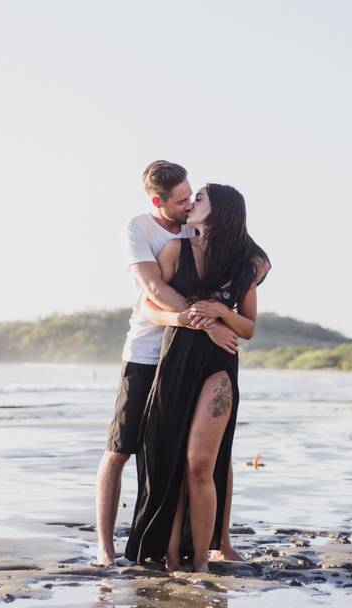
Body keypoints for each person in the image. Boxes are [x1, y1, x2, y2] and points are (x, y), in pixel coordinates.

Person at [95, 162, 241, 566]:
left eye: (191, 196)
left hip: (191, 359)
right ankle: (106, 549)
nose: (188, 204)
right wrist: (207, 324)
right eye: (180, 201)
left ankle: (217, 543)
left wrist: (215, 324)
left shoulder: (200, 226)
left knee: (212, 454)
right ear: (157, 201)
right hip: (146, 354)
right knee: (120, 450)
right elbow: (153, 289)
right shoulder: (140, 229)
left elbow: (247, 263)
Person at [124, 183, 270, 573]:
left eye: (200, 197)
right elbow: (151, 309)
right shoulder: (175, 250)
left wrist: (220, 313)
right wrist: (191, 318)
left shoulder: (244, 265)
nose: (191, 203)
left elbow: (250, 328)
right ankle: (172, 559)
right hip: (175, 363)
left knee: (199, 462)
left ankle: (203, 561)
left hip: (218, 365)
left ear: (219, 211)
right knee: (171, 461)